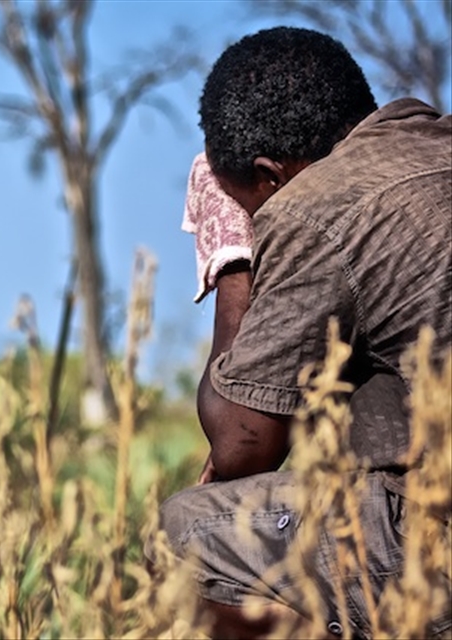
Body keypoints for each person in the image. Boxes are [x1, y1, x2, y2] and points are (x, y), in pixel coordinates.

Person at [157, 26, 451, 639]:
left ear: (269, 175)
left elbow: (243, 444)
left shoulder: (312, 204)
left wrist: (232, 250)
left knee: (187, 533)